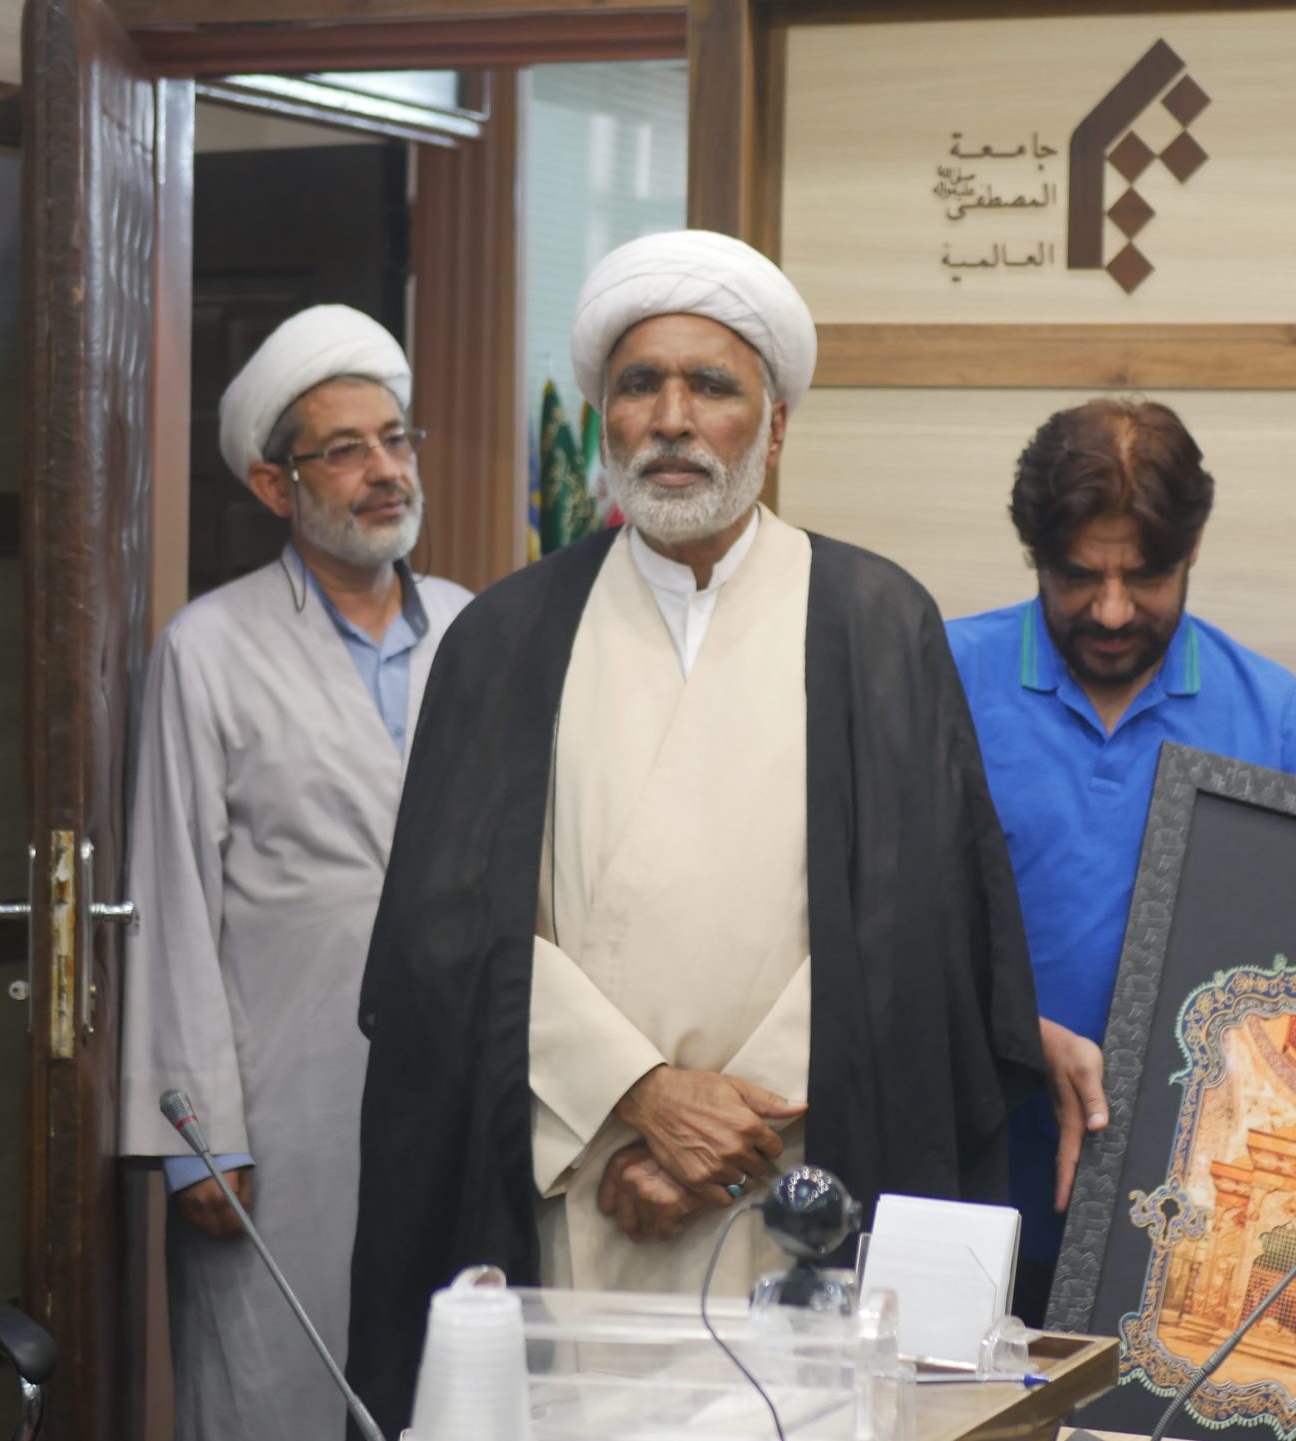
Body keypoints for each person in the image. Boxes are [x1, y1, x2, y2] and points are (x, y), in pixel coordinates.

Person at [344, 230, 1046, 1434]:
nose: (671, 419)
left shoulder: (875, 622)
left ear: (774, 427)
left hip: (808, 1183)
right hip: (576, 1177)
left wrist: (727, 1138)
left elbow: (919, 927)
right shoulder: (505, 637)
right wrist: (638, 1097)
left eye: (711, 386)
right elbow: (444, 935)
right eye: (639, 386)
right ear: (604, 419)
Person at [119, 305, 472, 1441]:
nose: (385, 471)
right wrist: (202, 1139)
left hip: (457, 1088)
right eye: (346, 450)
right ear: (276, 486)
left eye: (396, 439)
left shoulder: (474, 630)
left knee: (447, 1385)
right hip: (280, 1102)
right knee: (272, 1386)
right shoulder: (209, 647)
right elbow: (170, 895)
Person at [944, 399, 1296, 1324]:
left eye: (1148, 576)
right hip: (967, 1201)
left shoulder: (1277, 720)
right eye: (1079, 576)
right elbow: (872, 936)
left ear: (1193, 549)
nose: (1113, 610)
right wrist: (1018, 1034)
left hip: (1194, 1233)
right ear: (1035, 557)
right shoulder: (942, 679)